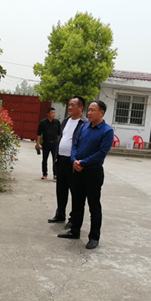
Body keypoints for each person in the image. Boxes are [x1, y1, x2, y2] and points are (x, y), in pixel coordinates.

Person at [57, 100, 114, 250]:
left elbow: (101, 153)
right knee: (77, 202)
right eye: (89, 110)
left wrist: (83, 162)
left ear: (101, 113)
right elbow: (75, 145)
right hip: (78, 170)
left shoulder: (107, 131)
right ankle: (74, 230)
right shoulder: (84, 127)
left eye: (93, 110)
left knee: (94, 205)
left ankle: (94, 237)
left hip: (93, 172)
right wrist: (74, 160)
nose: (89, 113)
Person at [48, 96, 88, 226]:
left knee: (76, 192)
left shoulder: (85, 123)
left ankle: (73, 219)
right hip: (61, 160)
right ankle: (60, 214)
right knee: (61, 189)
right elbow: (62, 137)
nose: (69, 107)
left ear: (81, 108)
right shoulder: (65, 121)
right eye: (69, 105)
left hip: (74, 162)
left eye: (73, 105)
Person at [35, 107, 61, 180]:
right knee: (44, 158)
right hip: (46, 143)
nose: (53, 114)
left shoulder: (57, 122)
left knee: (55, 159)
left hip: (55, 143)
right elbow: (39, 134)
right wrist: (37, 143)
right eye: (52, 113)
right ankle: (44, 173)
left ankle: (55, 174)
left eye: (54, 113)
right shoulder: (43, 123)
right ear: (48, 114)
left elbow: (59, 134)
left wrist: (59, 143)